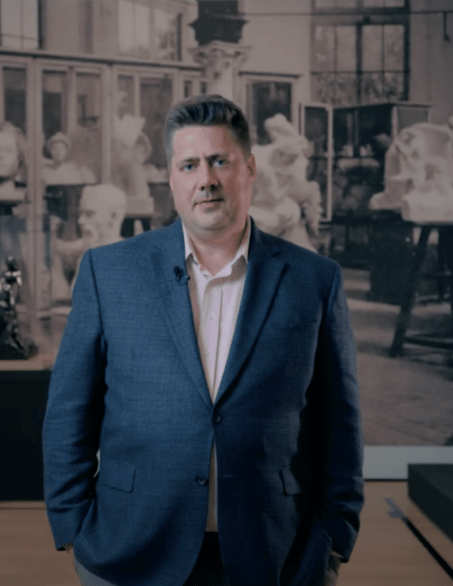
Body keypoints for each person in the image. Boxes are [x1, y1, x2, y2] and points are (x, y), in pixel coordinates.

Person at [43, 94, 364, 586]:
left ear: (249, 169)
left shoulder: (314, 280)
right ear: (172, 178)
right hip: (128, 551)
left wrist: (335, 537)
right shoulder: (109, 272)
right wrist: (72, 526)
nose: (206, 179)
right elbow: (69, 410)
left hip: (276, 553)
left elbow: (339, 421)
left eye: (220, 161)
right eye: (189, 164)